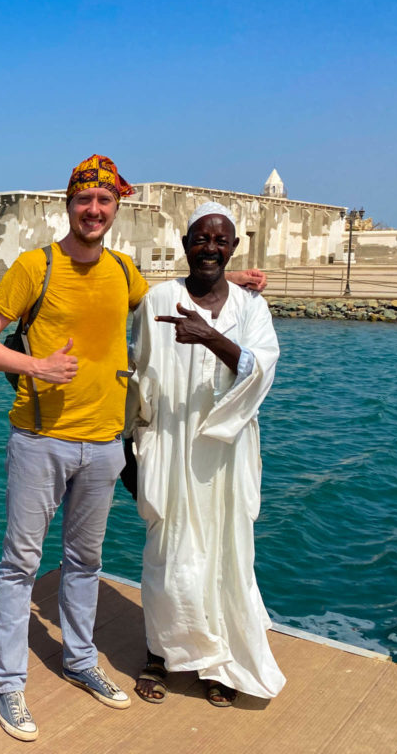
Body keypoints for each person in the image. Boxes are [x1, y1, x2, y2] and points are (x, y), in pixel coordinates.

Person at [0, 158, 267, 742]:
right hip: (40, 440)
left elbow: (177, 297)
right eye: (84, 201)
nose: (94, 211)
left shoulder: (126, 273)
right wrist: (35, 365)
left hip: (105, 446)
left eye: (104, 202)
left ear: (115, 210)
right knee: (19, 566)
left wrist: (241, 283)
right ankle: (10, 685)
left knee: (84, 564)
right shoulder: (35, 267)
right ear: (68, 205)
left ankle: (80, 663)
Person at [127, 201, 285, 708]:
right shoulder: (158, 300)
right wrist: (132, 452)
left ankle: (215, 661)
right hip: (170, 449)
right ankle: (161, 652)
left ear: (234, 248)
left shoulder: (250, 308)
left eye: (221, 240)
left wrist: (211, 337)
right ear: (186, 246)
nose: (210, 248)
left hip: (226, 457)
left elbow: (263, 372)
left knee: (224, 559)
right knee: (169, 557)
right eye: (201, 239)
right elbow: (136, 378)